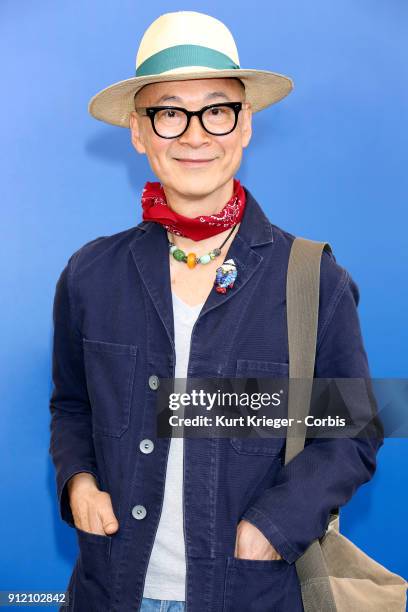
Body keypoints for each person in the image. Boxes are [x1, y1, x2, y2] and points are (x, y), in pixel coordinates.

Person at [49, 10, 383, 612]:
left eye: (217, 110)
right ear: (138, 131)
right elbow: (72, 404)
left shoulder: (313, 281)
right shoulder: (89, 275)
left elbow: (353, 432)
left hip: (246, 593)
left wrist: (270, 531)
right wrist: (78, 480)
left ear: (245, 124)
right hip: (110, 589)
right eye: (170, 112)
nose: (196, 135)